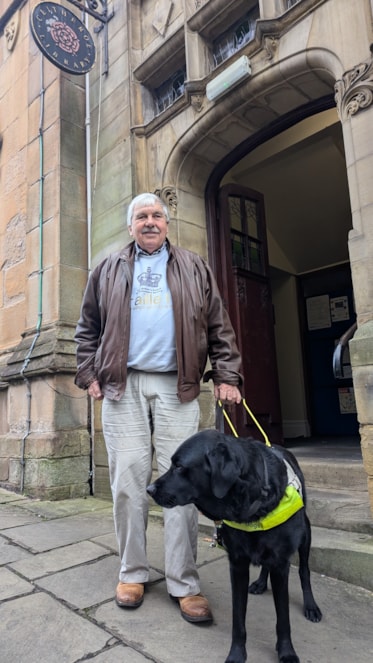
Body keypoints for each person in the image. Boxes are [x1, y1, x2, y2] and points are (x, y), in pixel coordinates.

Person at [74, 192, 242, 624]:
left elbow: (218, 324)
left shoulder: (194, 266)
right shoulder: (107, 268)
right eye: (141, 217)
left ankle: (184, 582)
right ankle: (132, 571)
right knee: (128, 481)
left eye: (157, 216)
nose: (150, 222)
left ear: (167, 224)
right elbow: (87, 327)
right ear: (130, 226)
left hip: (178, 387)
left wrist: (227, 375)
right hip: (121, 385)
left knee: (185, 485)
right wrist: (89, 374)